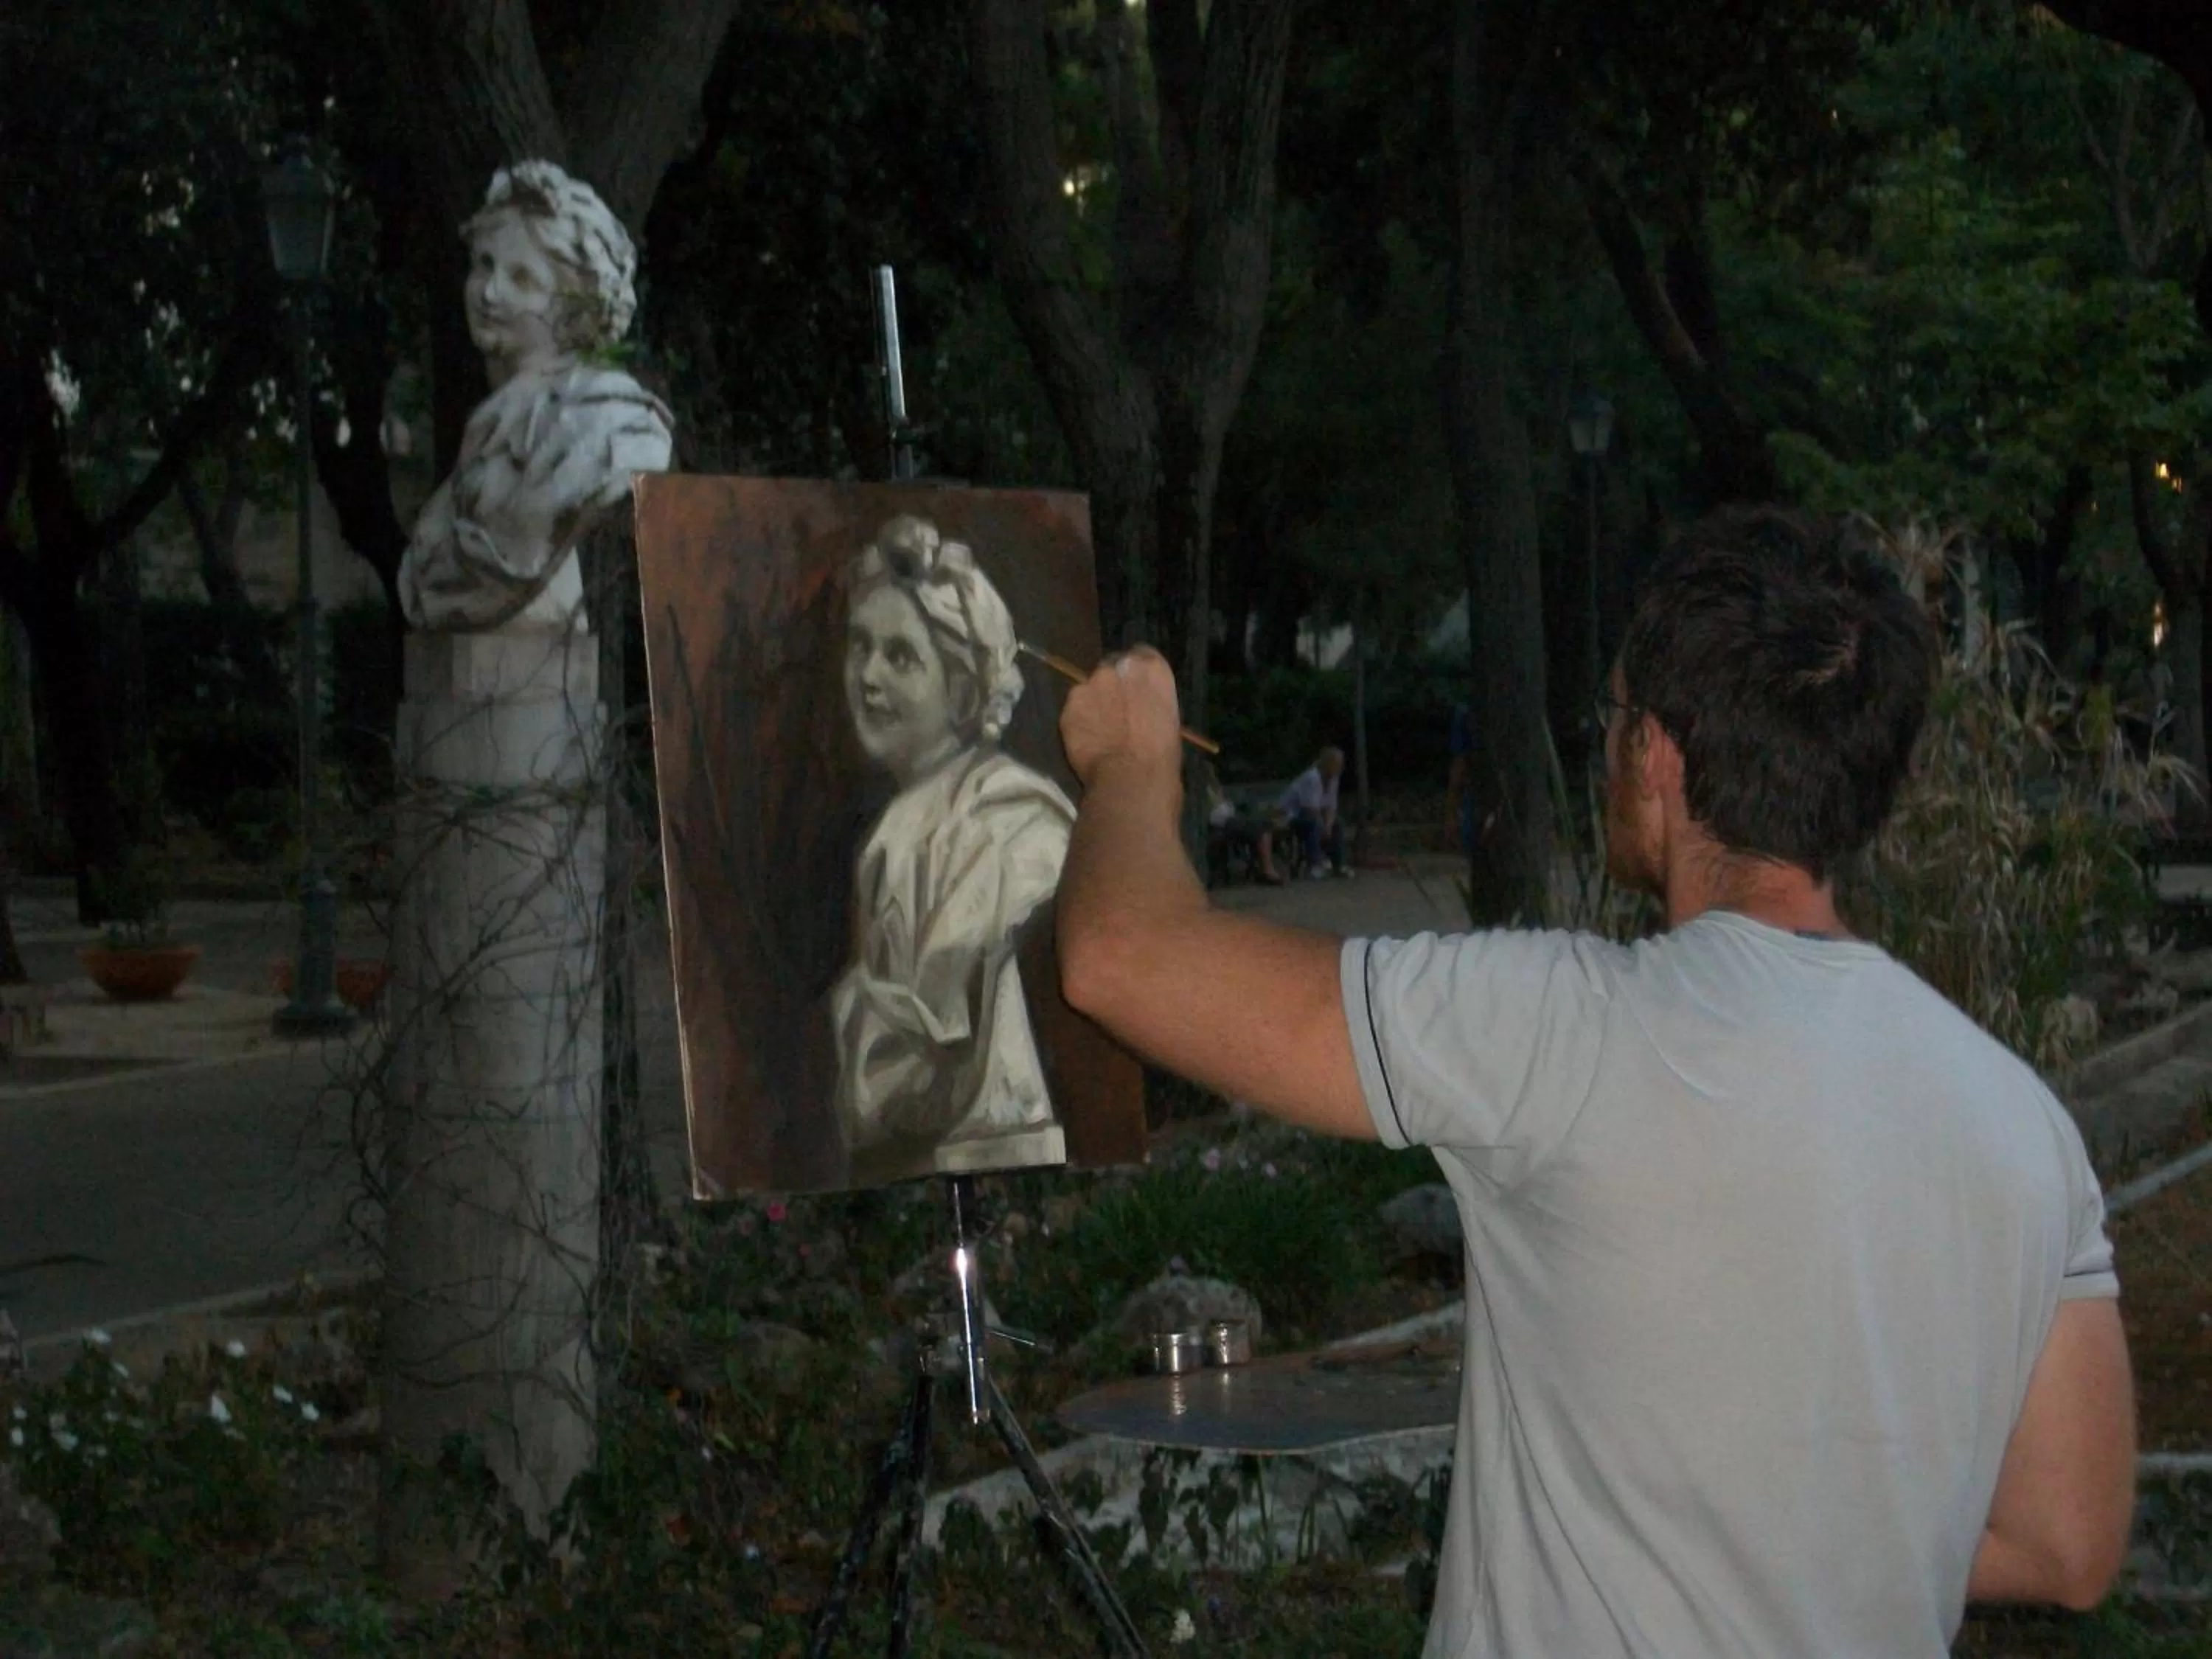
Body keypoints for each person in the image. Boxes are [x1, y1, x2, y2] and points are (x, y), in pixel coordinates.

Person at [1052, 508, 2135, 1657]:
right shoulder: (2024, 1124)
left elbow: (1125, 956)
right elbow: (2071, 1543)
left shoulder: (1558, 1033)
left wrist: (1130, 766)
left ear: (1659, 756)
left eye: (1613, 719)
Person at [831, 515, 1074, 1188]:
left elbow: (925, 1042)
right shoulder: (899, 826)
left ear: (964, 687)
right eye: (860, 647)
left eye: (901, 656)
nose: (868, 677)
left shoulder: (1011, 821)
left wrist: (858, 1014)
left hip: (994, 1151)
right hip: (919, 1162)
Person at [398, 159, 675, 633]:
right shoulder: (485, 433)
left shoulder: (611, 425)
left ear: (573, 312)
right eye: (484, 266)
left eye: (522, 279)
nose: (490, 293)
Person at [1261, 745, 1349, 880]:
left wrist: (1329, 825)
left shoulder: (1334, 779)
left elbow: (1331, 807)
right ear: (1328, 763)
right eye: (1337, 764)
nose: (1341, 767)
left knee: (1338, 823)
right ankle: (1315, 865)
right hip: (1290, 815)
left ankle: (1339, 865)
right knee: (1314, 822)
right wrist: (1324, 825)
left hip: (1312, 814)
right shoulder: (1312, 778)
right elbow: (1310, 809)